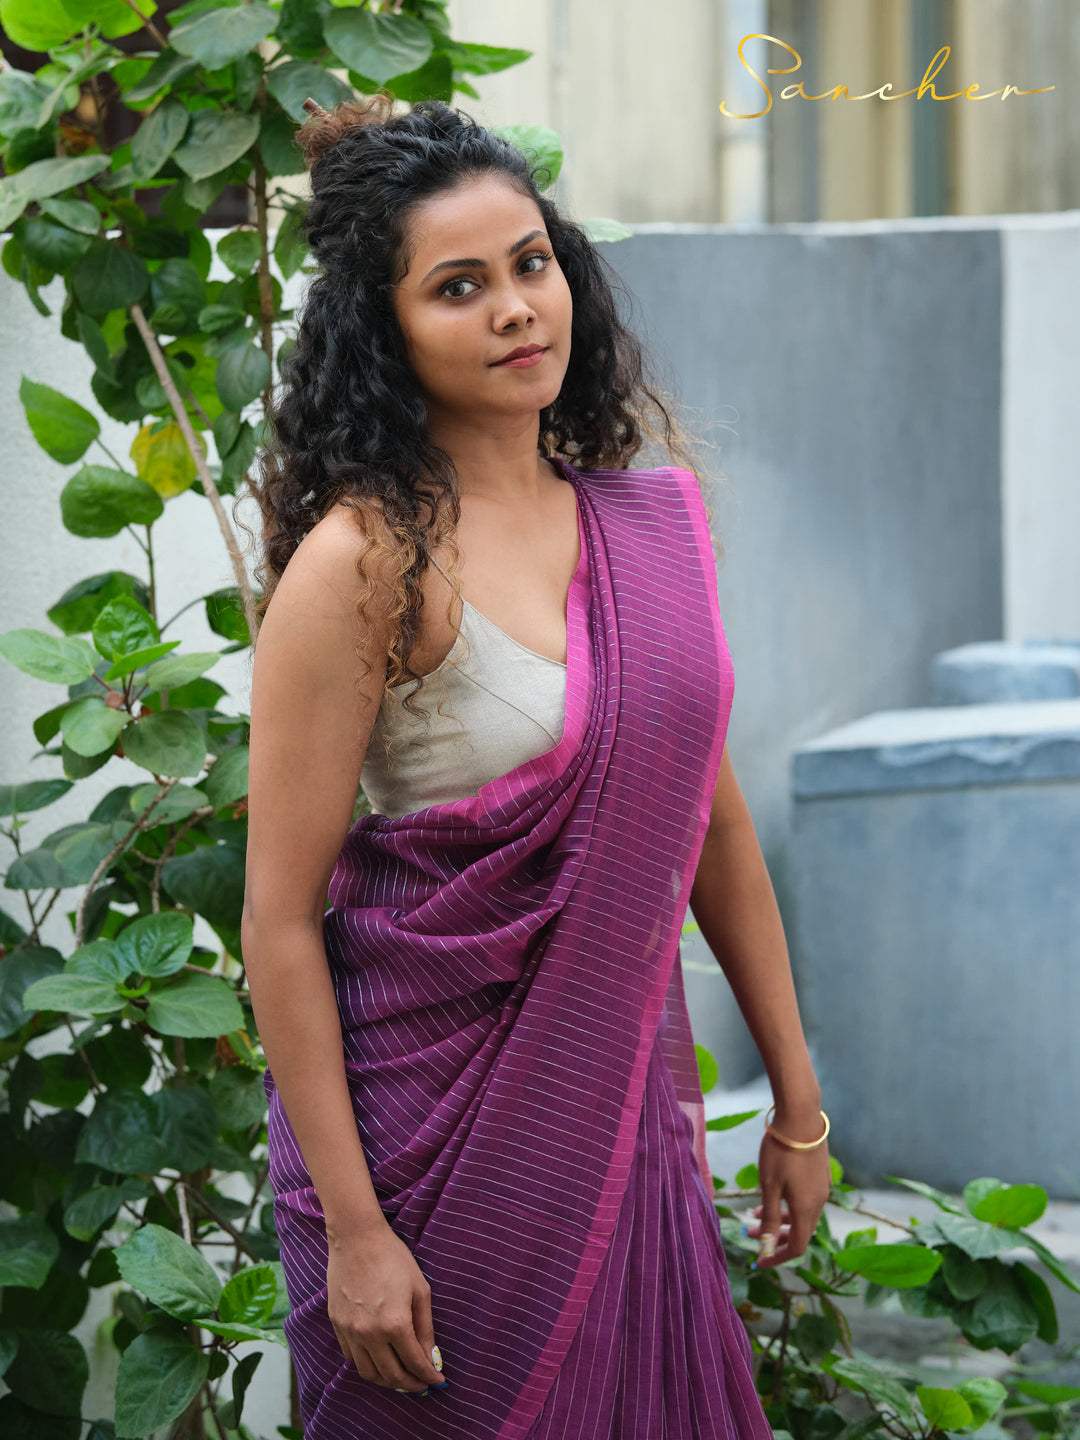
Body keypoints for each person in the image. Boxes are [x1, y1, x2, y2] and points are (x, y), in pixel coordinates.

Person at [242, 92, 832, 1440]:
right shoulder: (360, 564)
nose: (516, 309)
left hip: (619, 1117)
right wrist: (355, 1232)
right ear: (386, 329)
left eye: (531, 264)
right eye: (459, 287)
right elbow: (278, 921)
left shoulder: (650, 527)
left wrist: (797, 1100)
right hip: (426, 1152)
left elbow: (711, 827)